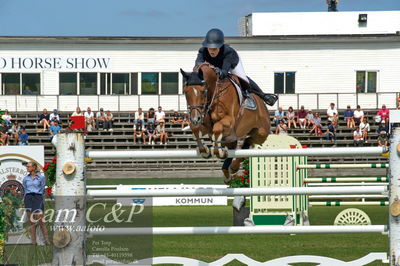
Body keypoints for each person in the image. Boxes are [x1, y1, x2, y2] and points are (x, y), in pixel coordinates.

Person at [194, 28, 278, 106]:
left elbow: (224, 72)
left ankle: (264, 96)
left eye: (215, 48)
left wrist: (220, 72)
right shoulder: (202, 51)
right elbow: (197, 65)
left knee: (243, 79)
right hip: (216, 65)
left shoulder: (228, 52)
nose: (212, 51)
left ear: (220, 47)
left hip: (232, 63)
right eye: (210, 48)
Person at [23, 161, 51, 245]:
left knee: (41, 221)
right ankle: (33, 242)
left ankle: (47, 241)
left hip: (38, 197)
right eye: (27, 166)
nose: (27, 168)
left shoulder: (41, 178)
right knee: (31, 222)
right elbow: (25, 188)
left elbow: (43, 188)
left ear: (34, 167)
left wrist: (39, 197)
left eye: (29, 166)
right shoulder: (25, 178)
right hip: (28, 198)